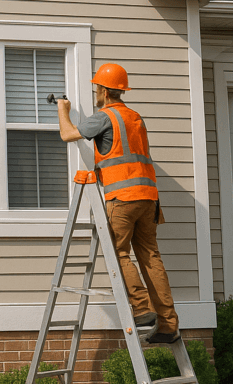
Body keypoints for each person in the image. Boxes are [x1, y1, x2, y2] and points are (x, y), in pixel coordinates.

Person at [56, 63, 180, 344]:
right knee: (151, 257)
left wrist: (63, 109)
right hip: (149, 198)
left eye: (97, 89)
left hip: (122, 197)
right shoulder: (135, 117)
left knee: (118, 252)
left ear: (103, 90)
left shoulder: (105, 116)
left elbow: (67, 134)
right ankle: (168, 324)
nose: (96, 94)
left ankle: (142, 309)